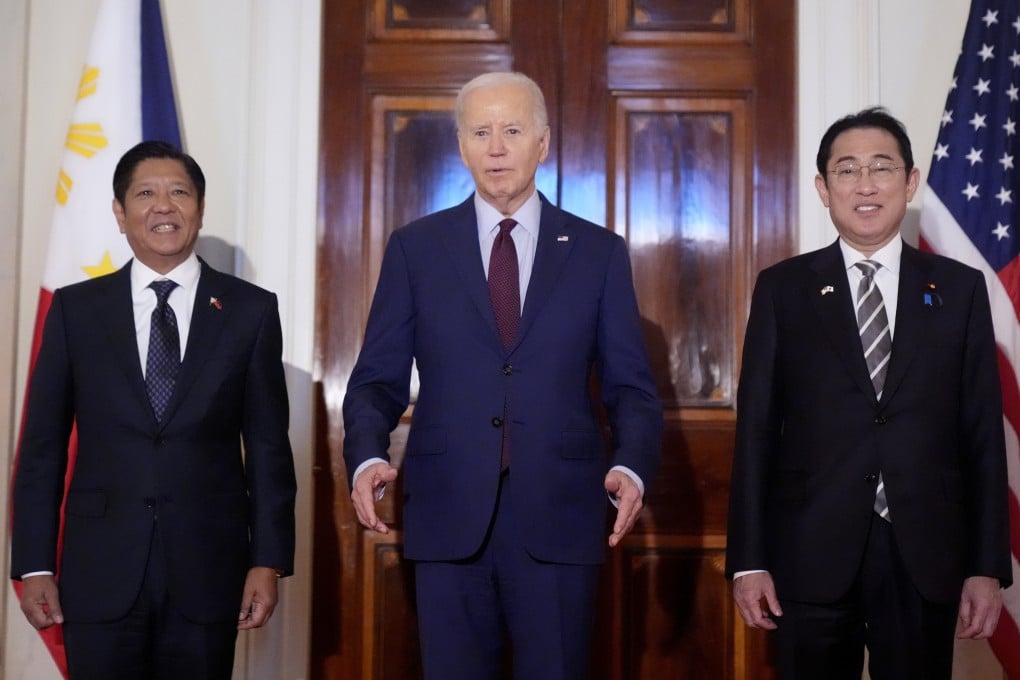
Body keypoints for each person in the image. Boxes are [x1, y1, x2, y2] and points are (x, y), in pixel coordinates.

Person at [342, 71, 663, 680]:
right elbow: (376, 380)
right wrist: (365, 457)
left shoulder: (598, 253)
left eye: (512, 131)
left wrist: (631, 465)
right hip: (447, 511)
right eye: (480, 132)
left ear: (543, 143)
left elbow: (631, 389)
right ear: (461, 146)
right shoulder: (416, 248)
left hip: (562, 512)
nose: (496, 148)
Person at [725, 107, 1011, 679]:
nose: (865, 185)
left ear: (910, 181)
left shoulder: (960, 290)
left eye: (882, 167)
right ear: (823, 187)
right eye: (847, 169)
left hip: (924, 551)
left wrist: (986, 566)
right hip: (809, 550)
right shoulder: (783, 289)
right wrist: (748, 561)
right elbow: (756, 431)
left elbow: (982, 434)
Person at [11, 140, 297, 679]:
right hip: (99, 570)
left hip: (209, 571)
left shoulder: (250, 310)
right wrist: (34, 563)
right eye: (145, 194)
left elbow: (267, 450)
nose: (163, 206)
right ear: (120, 214)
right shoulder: (77, 310)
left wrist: (268, 560)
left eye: (179, 193)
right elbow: (42, 448)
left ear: (200, 209)